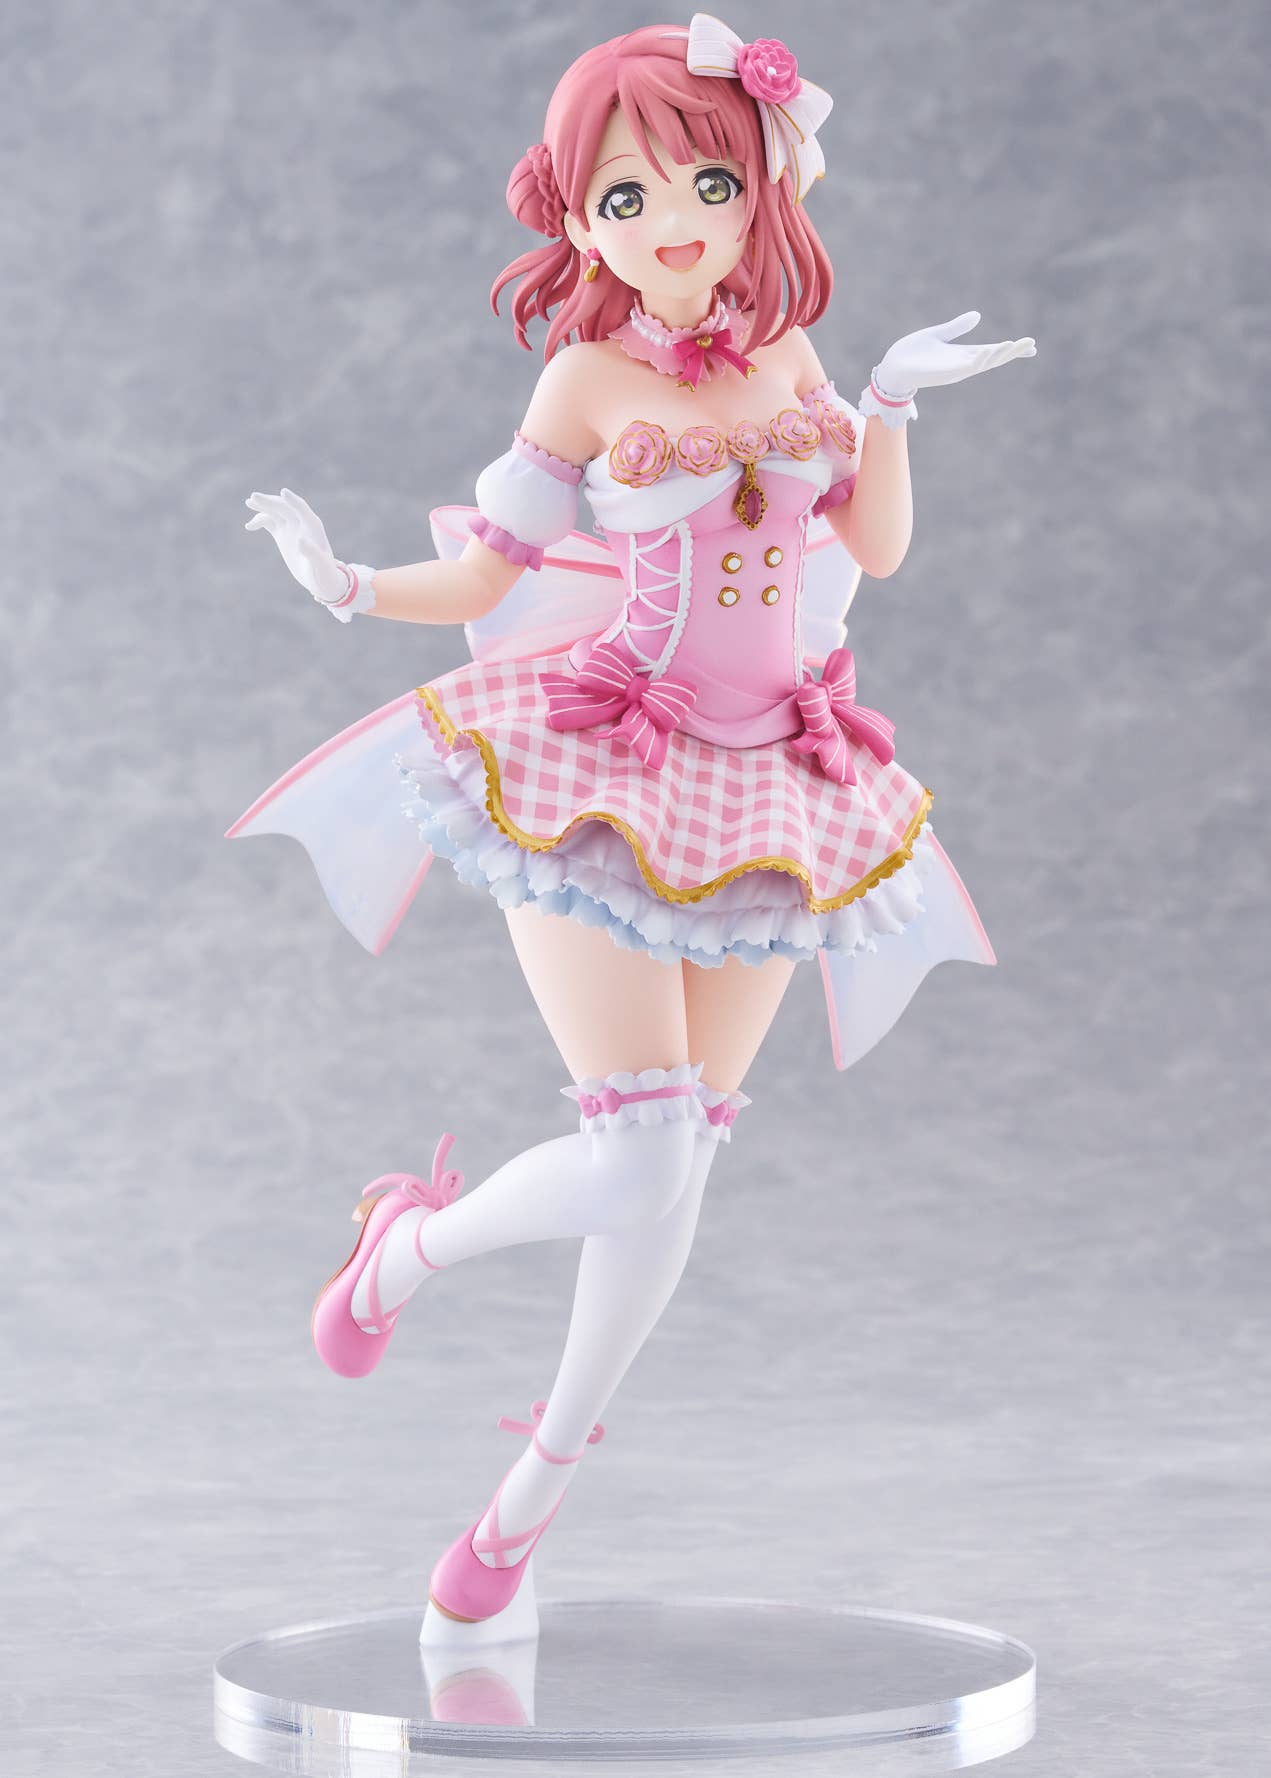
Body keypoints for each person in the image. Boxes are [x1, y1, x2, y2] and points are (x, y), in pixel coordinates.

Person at [230, 14, 1034, 1637]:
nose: (673, 222)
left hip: (777, 781)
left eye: (709, 184)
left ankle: (525, 1507)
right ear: (579, 221)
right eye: (625, 198)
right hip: (605, 764)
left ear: (766, 191)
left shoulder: (791, 359)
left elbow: (873, 550)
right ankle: (405, 1252)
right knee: (643, 1145)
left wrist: (886, 400)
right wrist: (351, 586)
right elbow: (492, 573)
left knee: (675, 1171)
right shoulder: (587, 377)